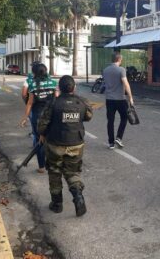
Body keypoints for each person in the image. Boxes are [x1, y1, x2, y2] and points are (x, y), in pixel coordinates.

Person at [37, 75, 93, 217]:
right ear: (74, 88)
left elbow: (42, 124)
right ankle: (78, 197)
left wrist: (42, 134)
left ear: (59, 88)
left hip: (55, 144)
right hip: (76, 144)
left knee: (55, 172)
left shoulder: (53, 103)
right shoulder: (82, 102)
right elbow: (88, 116)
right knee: (73, 172)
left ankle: (57, 204)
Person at [20, 64, 58, 173]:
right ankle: (53, 164)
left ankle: (41, 167)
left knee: (38, 139)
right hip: (51, 115)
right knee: (51, 139)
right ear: (46, 71)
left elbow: (29, 103)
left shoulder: (33, 85)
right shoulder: (53, 83)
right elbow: (56, 99)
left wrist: (25, 118)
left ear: (34, 73)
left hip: (37, 116)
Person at [102, 52, 134, 149]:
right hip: (120, 99)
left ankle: (111, 143)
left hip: (109, 99)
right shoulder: (121, 70)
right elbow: (126, 83)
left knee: (110, 121)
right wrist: (131, 97)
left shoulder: (105, 70)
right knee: (124, 118)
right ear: (119, 59)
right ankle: (119, 137)